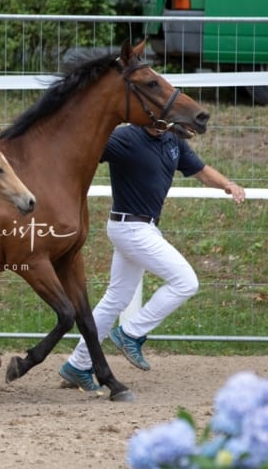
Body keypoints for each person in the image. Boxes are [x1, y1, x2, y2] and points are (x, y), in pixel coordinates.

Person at [59, 123, 246, 391]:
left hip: (143, 228)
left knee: (116, 298)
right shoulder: (124, 136)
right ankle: (130, 333)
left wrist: (228, 184)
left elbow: (201, 171)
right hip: (131, 227)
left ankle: (77, 364)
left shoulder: (173, 140)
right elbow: (85, 150)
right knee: (186, 282)